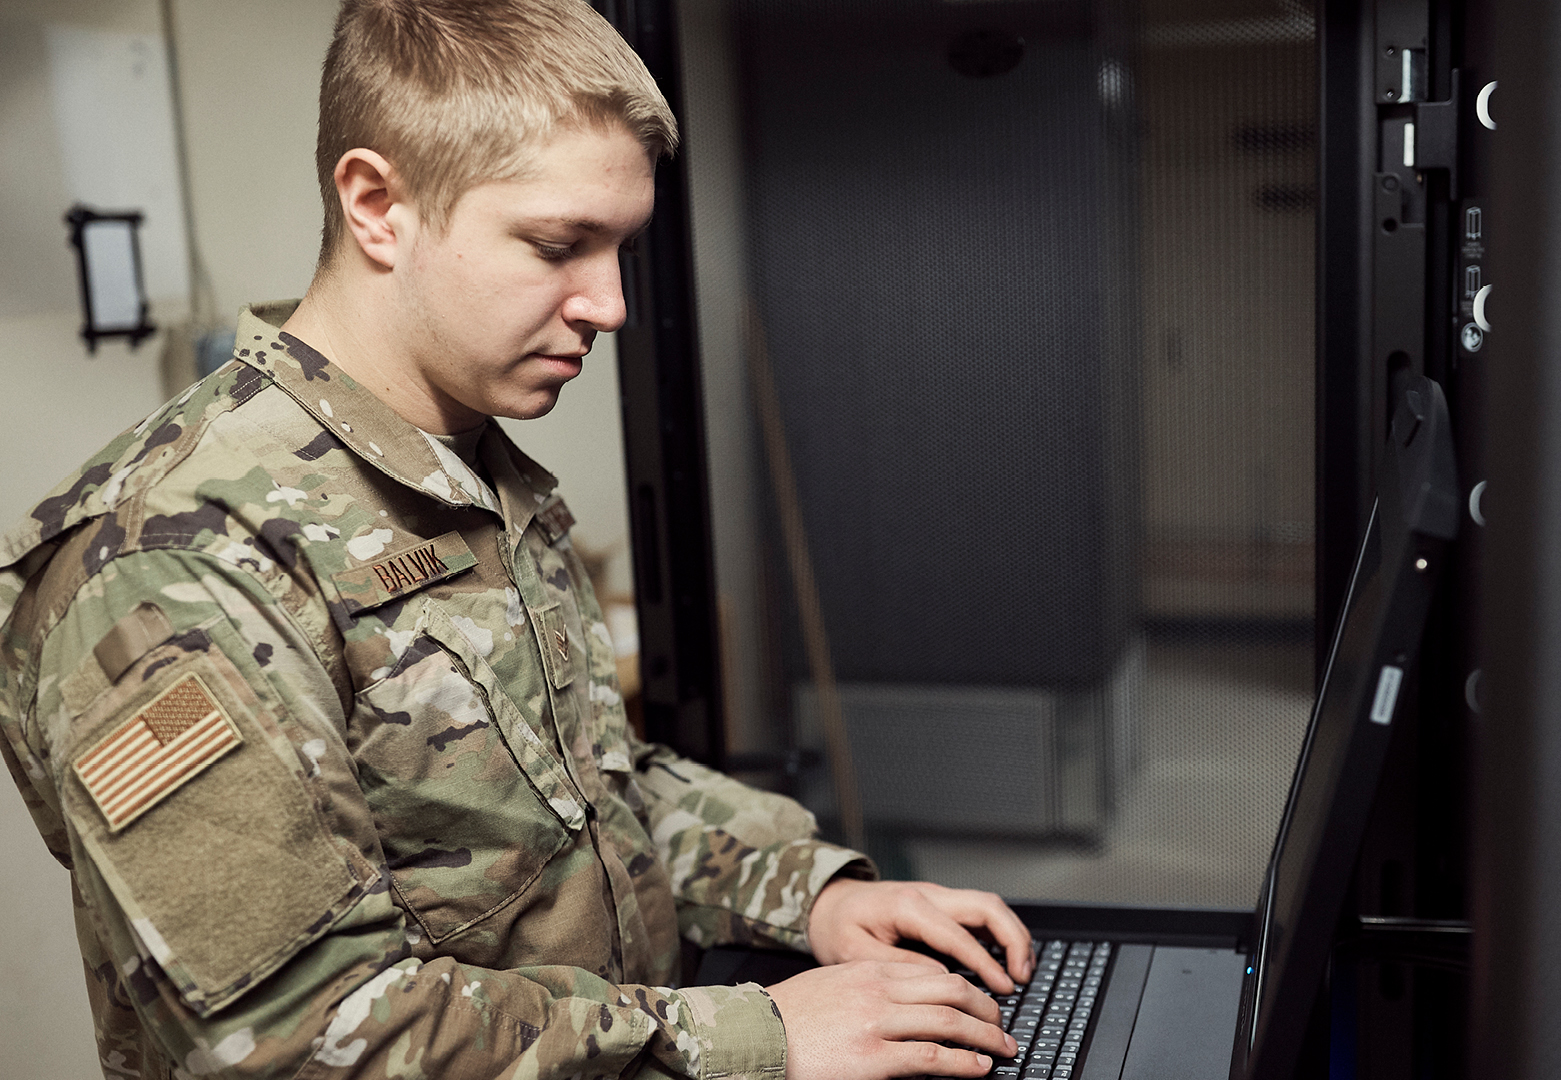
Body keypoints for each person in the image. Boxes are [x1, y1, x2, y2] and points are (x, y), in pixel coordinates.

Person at [0, 1, 1032, 1076]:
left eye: (621, 248)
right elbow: (302, 1042)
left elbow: (590, 800)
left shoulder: (472, 475)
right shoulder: (173, 563)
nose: (611, 304)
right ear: (378, 206)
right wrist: (756, 1039)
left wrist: (804, 892)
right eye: (558, 245)